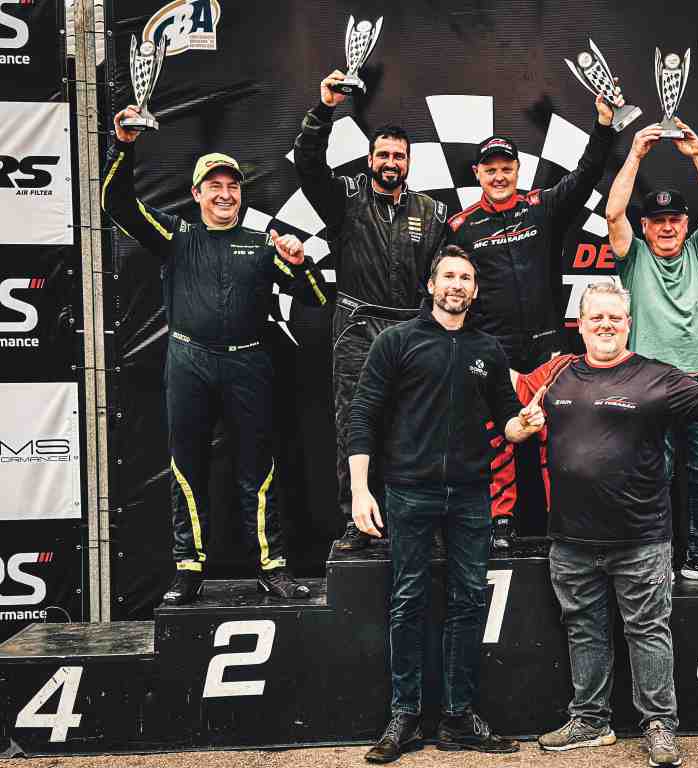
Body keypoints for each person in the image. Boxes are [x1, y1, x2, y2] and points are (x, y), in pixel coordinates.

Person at [102, 107, 328, 605]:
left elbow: (314, 297)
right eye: (215, 186)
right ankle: (188, 568)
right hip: (189, 362)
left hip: (249, 364)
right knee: (187, 467)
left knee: (258, 469)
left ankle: (272, 566)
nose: (225, 194)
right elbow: (116, 204)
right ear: (197, 193)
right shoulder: (176, 235)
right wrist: (123, 145)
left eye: (233, 187)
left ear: (241, 195)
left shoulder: (262, 244)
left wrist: (299, 261)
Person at [516, 282, 698, 766]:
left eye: (615, 318)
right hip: (571, 539)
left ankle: (660, 724)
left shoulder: (656, 376)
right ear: (580, 324)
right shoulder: (557, 376)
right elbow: (515, 416)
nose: (606, 325)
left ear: (628, 324)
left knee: (648, 631)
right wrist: (522, 423)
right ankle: (590, 722)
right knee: (584, 630)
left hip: (641, 539)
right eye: (596, 318)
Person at [348, 246, 543, 762]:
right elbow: (363, 414)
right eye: (449, 276)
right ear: (432, 285)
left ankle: (458, 718)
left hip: (472, 494)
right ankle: (405, 716)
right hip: (408, 492)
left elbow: (507, 421)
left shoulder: (488, 349)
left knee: (468, 601)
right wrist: (360, 490)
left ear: (475, 291)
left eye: (466, 278)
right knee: (408, 599)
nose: (457, 285)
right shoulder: (396, 342)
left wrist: (523, 424)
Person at [445, 92, 619, 549]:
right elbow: (447, 287)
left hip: (548, 347)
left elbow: (585, 176)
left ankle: (561, 520)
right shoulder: (461, 227)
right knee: (496, 438)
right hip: (494, 352)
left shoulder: (541, 206)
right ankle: (500, 522)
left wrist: (603, 126)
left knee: (554, 437)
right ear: (477, 174)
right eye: (490, 169)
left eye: (507, 167)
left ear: (518, 171)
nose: (499, 176)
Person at [293, 71, 448, 551]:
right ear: (370, 159)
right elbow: (308, 165)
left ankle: (416, 521)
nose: (390, 163)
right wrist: (324, 110)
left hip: (413, 328)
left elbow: (444, 276)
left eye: (398, 156)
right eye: (383, 155)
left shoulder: (432, 212)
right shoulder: (345, 198)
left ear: (409, 163)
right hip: (357, 327)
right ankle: (356, 520)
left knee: (417, 427)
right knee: (355, 424)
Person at [605, 121, 698, 582]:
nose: (666, 228)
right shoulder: (634, 256)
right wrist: (635, 155)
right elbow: (613, 215)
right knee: (652, 472)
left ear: (685, 224)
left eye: (674, 220)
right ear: (645, 226)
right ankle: (654, 554)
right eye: (657, 221)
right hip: (648, 381)